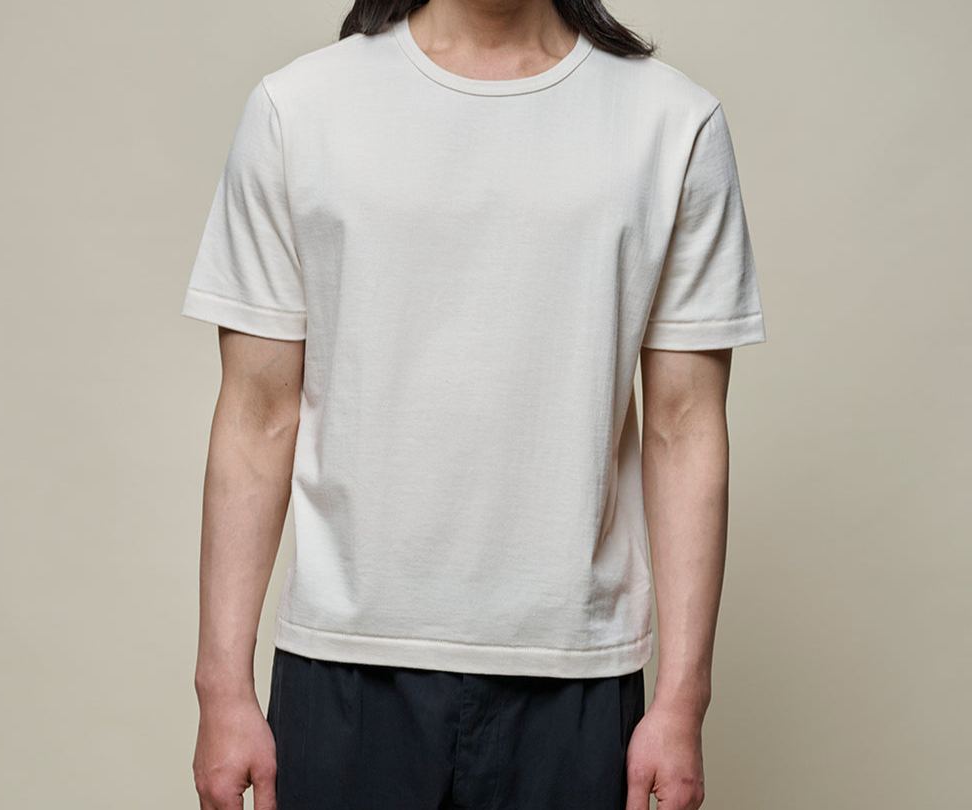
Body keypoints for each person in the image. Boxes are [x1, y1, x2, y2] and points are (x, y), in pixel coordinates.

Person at [182, 0, 766, 807]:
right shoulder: (300, 107)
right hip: (344, 666)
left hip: (575, 673)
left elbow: (685, 426)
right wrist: (221, 688)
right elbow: (257, 416)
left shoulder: (671, 122)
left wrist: (682, 699)